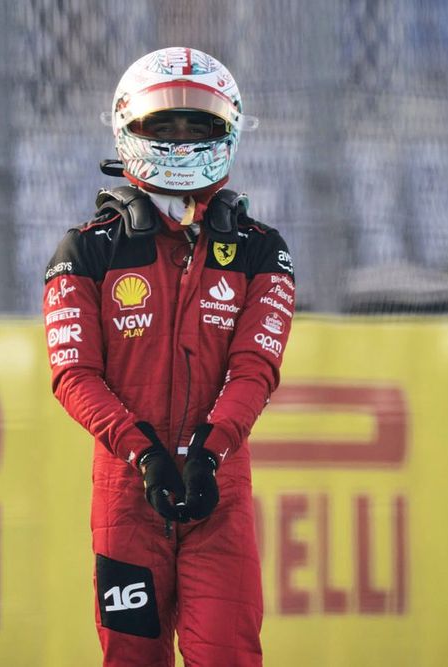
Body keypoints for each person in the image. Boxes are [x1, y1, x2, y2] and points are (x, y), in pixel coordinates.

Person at [42, 47, 294, 666]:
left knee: (228, 656)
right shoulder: (86, 249)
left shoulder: (262, 249)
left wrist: (209, 451)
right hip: (128, 492)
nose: (182, 140)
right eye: (165, 125)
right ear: (129, 127)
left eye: (198, 125)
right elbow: (73, 375)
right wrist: (144, 452)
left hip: (220, 489)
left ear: (227, 132)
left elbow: (255, 369)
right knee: (131, 659)